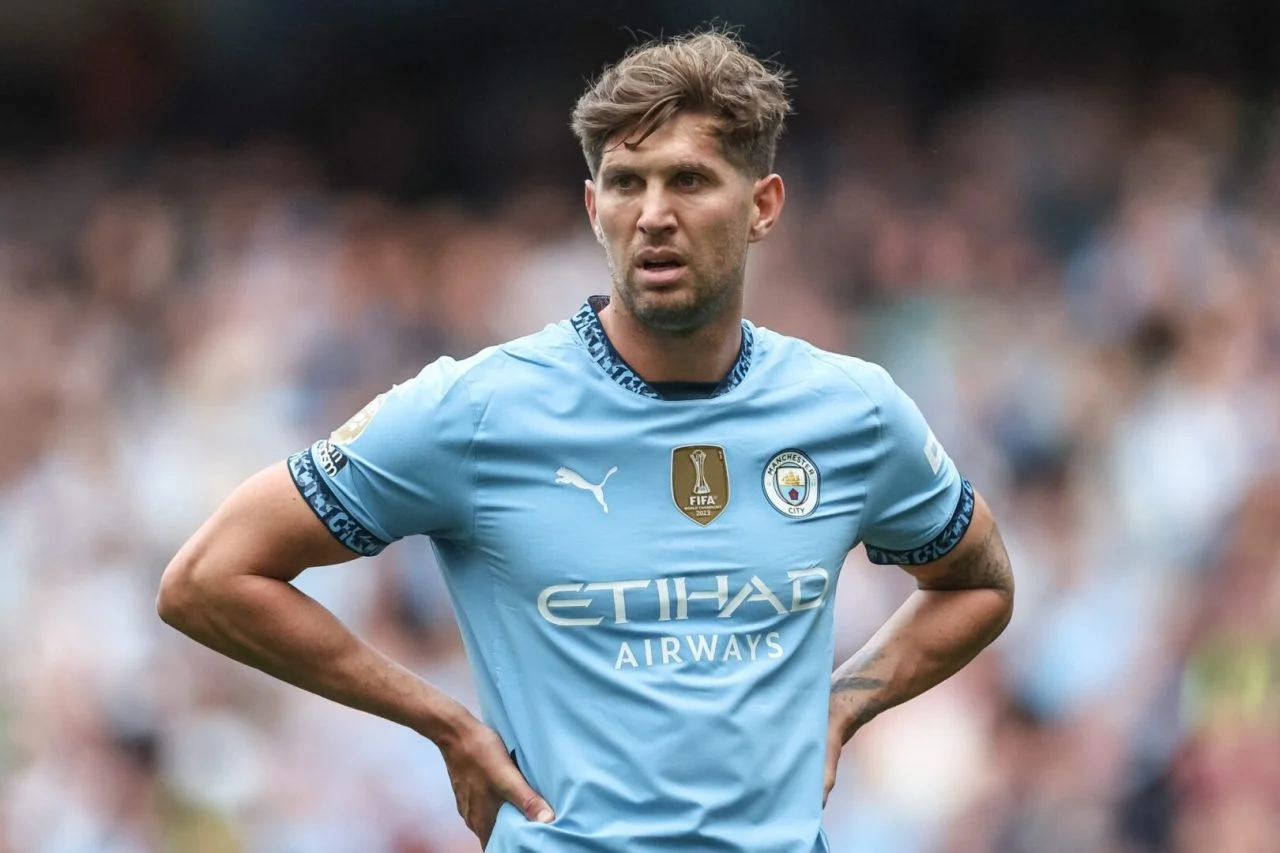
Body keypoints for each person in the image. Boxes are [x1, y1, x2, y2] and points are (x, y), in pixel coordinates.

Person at [157, 28, 1014, 853]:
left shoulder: (851, 411)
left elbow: (978, 582)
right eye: (626, 183)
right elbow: (209, 576)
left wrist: (844, 704)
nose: (654, 215)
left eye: (689, 180)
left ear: (762, 206)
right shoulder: (479, 409)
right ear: (593, 207)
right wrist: (441, 719)